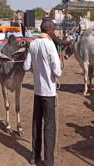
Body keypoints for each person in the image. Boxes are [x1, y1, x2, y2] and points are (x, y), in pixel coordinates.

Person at [24, 18, 61, 166]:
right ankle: (49, 161)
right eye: (53, 29)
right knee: (50, 126)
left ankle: (35, 157)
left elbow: (26, 66)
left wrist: (37, 68)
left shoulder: (33, 44)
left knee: (36, 123)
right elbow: (58, 71)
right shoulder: (50, 45)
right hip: (49, 92)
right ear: (48, 30)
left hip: (37, 91)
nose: (54, 32)